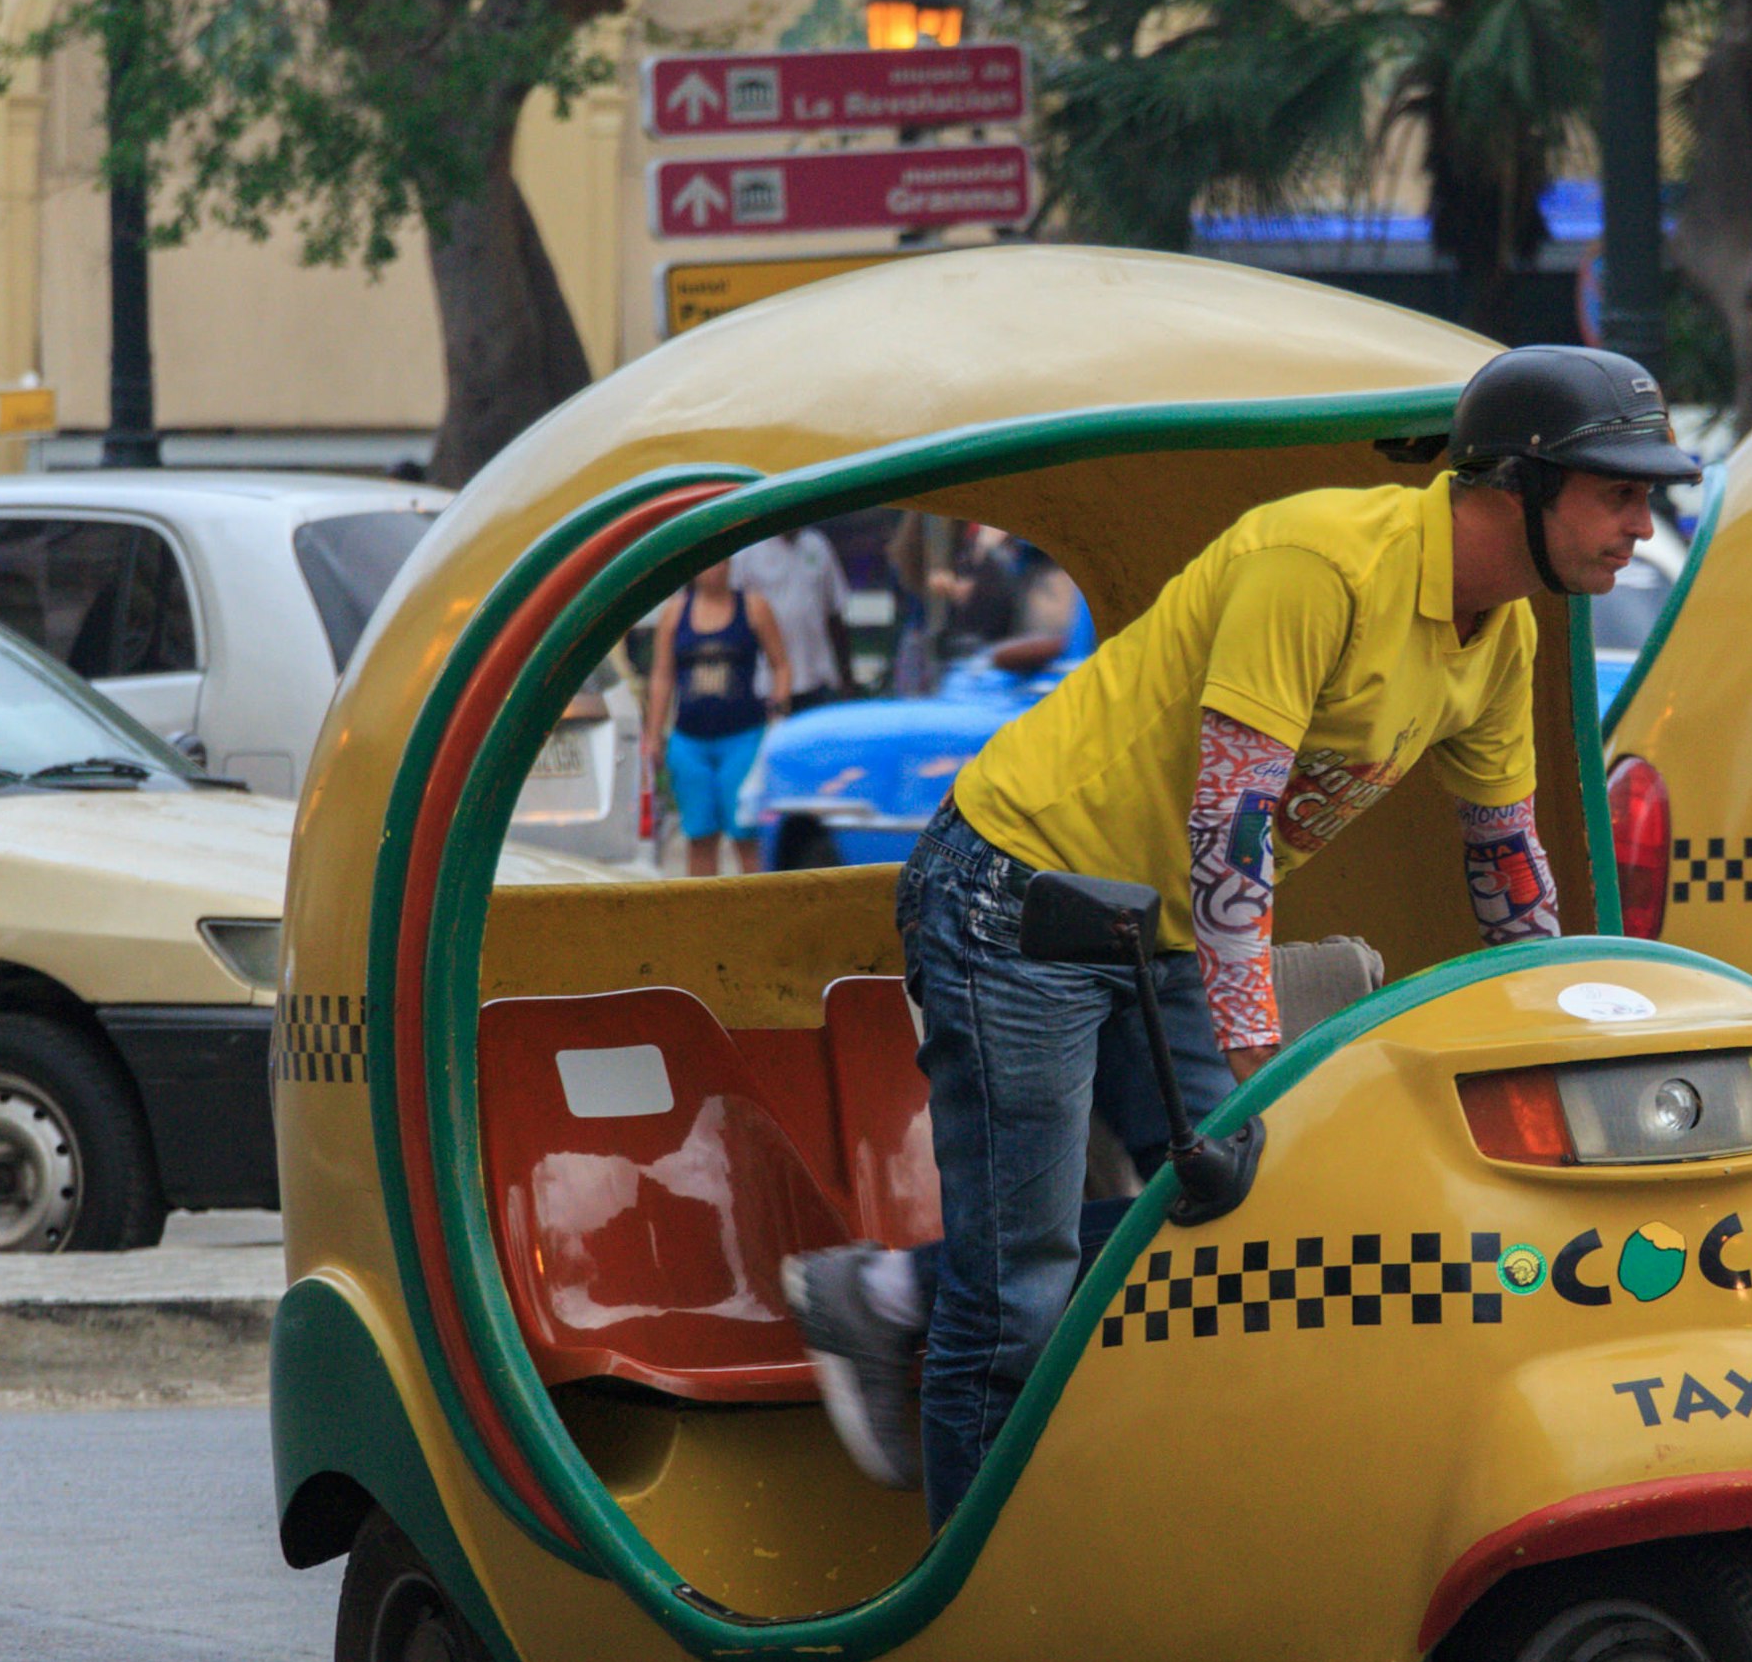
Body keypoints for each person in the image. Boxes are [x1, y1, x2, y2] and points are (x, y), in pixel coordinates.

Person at [785, 345, 1697, 1513]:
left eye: (1648, 497)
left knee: (1257, 1212)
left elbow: (1508, 866)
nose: (1639, 524)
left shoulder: (1505, 635)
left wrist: (1566, 1041)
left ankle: (895, 1293)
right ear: (1516, 482)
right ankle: (976, 1602)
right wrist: (1264, 1051)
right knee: (1018, 1287)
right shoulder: (1321, 562)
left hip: (1153, 925)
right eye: (1620, 491)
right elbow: (1232, 826)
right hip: (1015, 893)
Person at [643, 556, 791, 878]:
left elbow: (780, 664)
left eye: (723, 562)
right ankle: (705, 918)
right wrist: (653, 735)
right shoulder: (674, 613)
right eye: (710, 563)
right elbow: (662, 675)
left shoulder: (753, 607)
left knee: (745, 834)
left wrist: (779, 712)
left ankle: (757, 912)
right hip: (689, 740)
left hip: (743, 737)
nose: (715, 569)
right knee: (699, 836)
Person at [729, 525, 855, 711]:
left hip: (818, 679)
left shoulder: (817, 545)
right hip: (766, 684)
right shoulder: (747, 551)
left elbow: (834, 616)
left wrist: (847, 677)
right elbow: (732, 617)